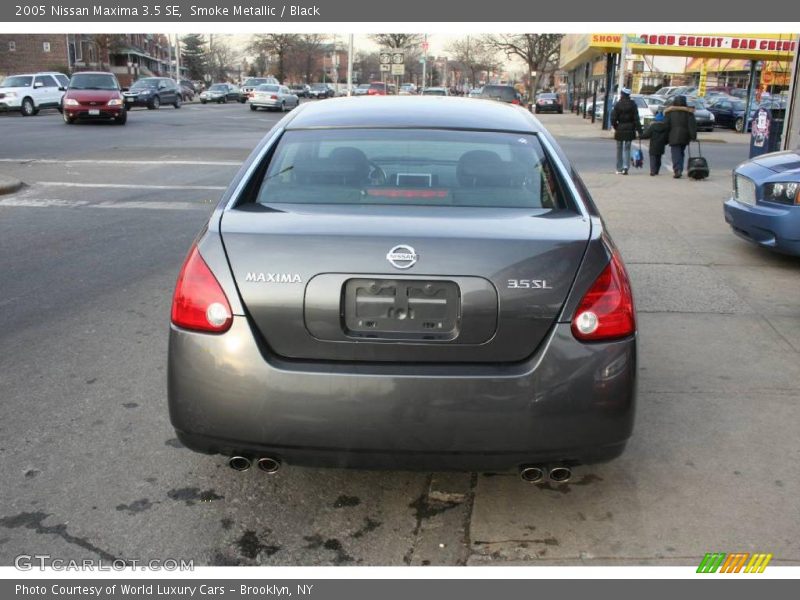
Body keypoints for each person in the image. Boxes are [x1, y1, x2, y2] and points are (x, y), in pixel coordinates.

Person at [663, 95, 697, 179]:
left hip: (673, 135)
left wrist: (664, 137)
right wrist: (693, 136)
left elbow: (666, 126)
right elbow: (692, 126)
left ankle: (677, 169)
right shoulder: (689, 113)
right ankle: (679, 169)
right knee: (681, 152)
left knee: (675, 153)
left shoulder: (670, 113)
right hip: (685, 136)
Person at [611, 87, 643, 175]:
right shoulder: (633, 104)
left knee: (619, 149)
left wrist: (616, 127)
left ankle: (619, 168)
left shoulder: (618, 104)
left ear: (622, 94)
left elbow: (613, 118)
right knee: (627, 149)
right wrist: (639, 131)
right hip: (630, 129)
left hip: (620, 128)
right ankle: (626, 167)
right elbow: (636, 119)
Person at [641, 111, 669, 176]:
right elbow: (667, 137)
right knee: (658, 159)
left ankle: (652, 171)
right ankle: (657, 170)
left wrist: (640, 136)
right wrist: (665, 142)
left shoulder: (653, 127)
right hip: (661, 145)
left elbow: (647, 134)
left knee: (652, 158)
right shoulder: (665, 127)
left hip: (653, 145)